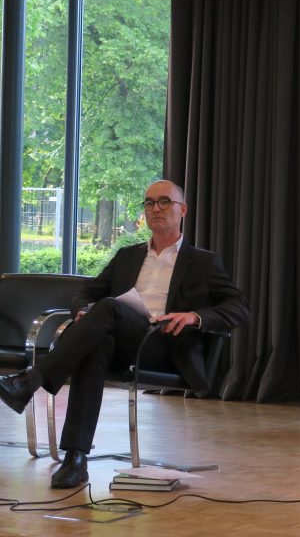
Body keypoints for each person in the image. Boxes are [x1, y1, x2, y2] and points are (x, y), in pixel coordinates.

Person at [0, 180, 249, 489]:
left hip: (165, 345)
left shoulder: (203, 262)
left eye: (164, 202)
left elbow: (239, 308)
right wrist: (82, 312)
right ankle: (75, 458)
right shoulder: (127, 256)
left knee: (109, 308)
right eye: (149, 203)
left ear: (182, 210)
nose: (155, 209)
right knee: (97, 343)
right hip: (121, 341)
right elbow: (86, 292)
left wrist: (194, 316)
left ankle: (30, 381)